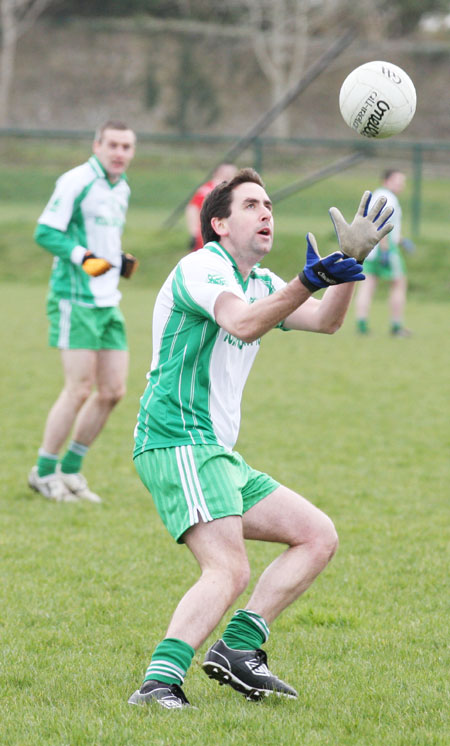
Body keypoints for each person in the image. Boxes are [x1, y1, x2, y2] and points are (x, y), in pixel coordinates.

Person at [128, 168, 393, 710]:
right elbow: (243, 325)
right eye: (251, 205)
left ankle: (240, 648)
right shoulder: (201, 267)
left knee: (317, 535)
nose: (266, 211)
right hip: (175, 438)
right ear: (220, 223)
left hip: (216, 451)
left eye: (269, 204)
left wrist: (350, 268)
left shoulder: (264, 282)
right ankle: (157, 683)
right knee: (228, 568)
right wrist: (309, 281)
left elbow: (325, 323)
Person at [28, 120, 138, 504]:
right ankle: (43, 473)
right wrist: (85, 258)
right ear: (97, 145)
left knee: (113, 391)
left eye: (127, 146)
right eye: (113, 145)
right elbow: (46, 231)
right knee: (78, 389)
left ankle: (71, 471)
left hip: (109, 301)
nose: (120, 153)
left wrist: (116, 259)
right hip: (75, 299)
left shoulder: (121, 187)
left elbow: (102, 237)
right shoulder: (76, 180)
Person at [355, 169, 414, 337]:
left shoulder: (377, 195)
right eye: (398, 180)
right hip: (384, 247)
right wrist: (386, 250)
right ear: (386, 180)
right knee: (399, 283)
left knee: (367, 284)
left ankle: (362, 324)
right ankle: (396, 326)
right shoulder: (389, 198)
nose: (401, 185)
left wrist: (402, 240)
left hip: (369, 247)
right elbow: (381, 224)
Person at [185, 162, 238, 251]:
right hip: (209, 234)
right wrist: (194, 233)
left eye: (232, 173)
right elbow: (192, 209)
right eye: (226, 173)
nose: (229, 176)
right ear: (217, 173)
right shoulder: (207, 190)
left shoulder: (235, 192)